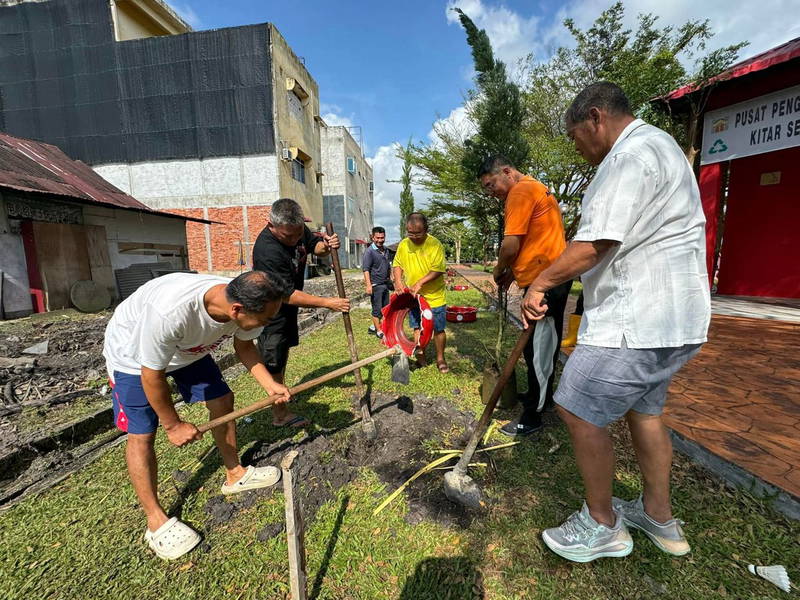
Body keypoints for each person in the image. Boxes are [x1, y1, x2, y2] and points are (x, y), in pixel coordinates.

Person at [521, 82, 710, 563]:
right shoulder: (662, 147)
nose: (577, 147)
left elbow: (594, 244)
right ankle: (659, 516)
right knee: (645, 413)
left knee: (576, 408)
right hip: (673, 320)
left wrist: (540, 283)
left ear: (596, 118)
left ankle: (603, 524)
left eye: (574, 136)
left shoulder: (626, 158)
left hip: (637, 319)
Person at [103, 270, 294, 560]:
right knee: (142, 432)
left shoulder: (243, 302)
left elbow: (243, 345)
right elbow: (151, 375)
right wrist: (173, 424)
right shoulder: (170, 313)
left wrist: (270, 385)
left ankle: (235, 474)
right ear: (237, 310)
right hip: (133, 355)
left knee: (222, 399)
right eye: (265, 319)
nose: (267, 324)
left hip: (188, 350)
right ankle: (155, 521)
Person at [478, 155, 571, 437]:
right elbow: (532, 242)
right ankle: (537, 397)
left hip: (547, 282)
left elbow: (510, 244)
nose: (491, 192)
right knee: (537, 347)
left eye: (491, 184)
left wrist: (499, 267)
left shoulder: (519, 191)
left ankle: (533, 416)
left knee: (539, 348)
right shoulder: (535, 187)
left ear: (507, 172)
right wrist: (514, 274)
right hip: (547, 277)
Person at [252, 198, 349, 428]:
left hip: (287, 311)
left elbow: (315, 246)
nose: (295, 239)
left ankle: (281, 401)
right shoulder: (267, 250)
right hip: (270, 313)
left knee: (282, 357)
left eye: (298, 234)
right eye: (289, 237)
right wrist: (328, 303)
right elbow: (286, 294)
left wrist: (327, 245)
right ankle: (279, 415)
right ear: (271, 225)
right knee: (274, 362)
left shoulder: (295, 228)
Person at [392, 212, 449, 373]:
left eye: (418, 233)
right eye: (411, 233)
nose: (414, 237)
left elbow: (437, 270)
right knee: (417, 327)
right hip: (414, 297)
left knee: (438, 328)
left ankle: (440, 359)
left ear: (426, 230)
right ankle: (421, 358)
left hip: (434, 296)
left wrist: (420, 283)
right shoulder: (404, 244)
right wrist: (398, 281)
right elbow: (397, 264)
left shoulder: (434, 244)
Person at [362, 226, 392, 339]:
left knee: (385, 309)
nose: (380, 240)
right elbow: (366, 269)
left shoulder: (386, 250)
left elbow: (388, 266)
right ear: (372, 237)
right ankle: (379, 331)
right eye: (377, 238)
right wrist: (368, 285)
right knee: (377, 309)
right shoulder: (369, 252)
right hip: (375, 285)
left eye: (382, 237)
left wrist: (391, 278)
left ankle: (373, 327)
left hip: (385, 284)